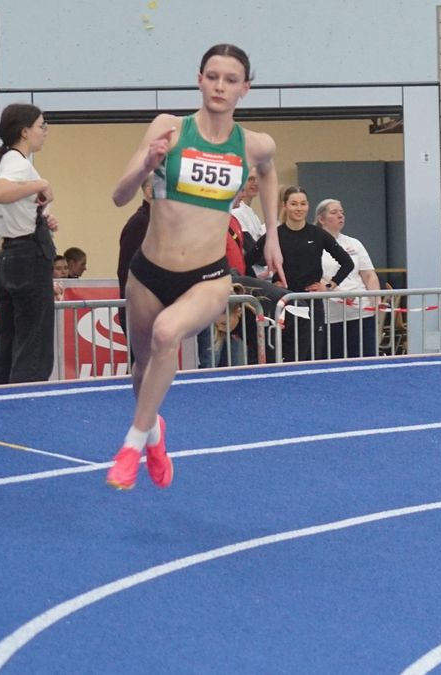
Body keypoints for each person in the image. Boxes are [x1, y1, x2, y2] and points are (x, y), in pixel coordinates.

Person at [105, 43, 286, 490]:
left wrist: (273, 234)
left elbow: (268, 171)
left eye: (230, 79)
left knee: (167, 334)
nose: (220, 86)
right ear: (200, 80)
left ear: (245, 88)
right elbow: (120, 196)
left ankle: (131, 445)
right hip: (149, 271)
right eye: (213, 76)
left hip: (207, 276)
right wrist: (147, 165)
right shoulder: (168, 128)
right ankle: (154, 433)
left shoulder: (254, 144)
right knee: (141, 371)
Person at [0, 102, 59, 385]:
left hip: (11, 257)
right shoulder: (17, 162)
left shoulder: (9, 161)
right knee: (33, 345)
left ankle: (0, 399)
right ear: (25, 131)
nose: (45, 132)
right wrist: (40, 184)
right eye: (41, 126)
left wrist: (41, 217)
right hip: (27, 259)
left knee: (10, 341)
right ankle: (26, 402)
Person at [244, 186, 354, 362]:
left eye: (303, 204)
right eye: (294, 204)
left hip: (312, 304)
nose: (299, 208)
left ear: (308, 206)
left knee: (312, 354)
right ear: (285, 205)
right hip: (282, 304)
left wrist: (328, 286)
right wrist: (266, 288)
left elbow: (347, 262)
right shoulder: (274, 236)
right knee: (283, 355)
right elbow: (245, 262)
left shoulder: (318, 234)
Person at [316, 198, 381, 358]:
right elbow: (316, 276)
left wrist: (376, 300)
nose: (340, 215)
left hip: (361, 311)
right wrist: (339, 293)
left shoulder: (354, 243)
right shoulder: (314, 244)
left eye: (342, 212)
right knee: (332, 360)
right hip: (330, 314)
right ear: (321, 219)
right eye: (334, 212)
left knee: (365, 359)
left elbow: (369, 274)